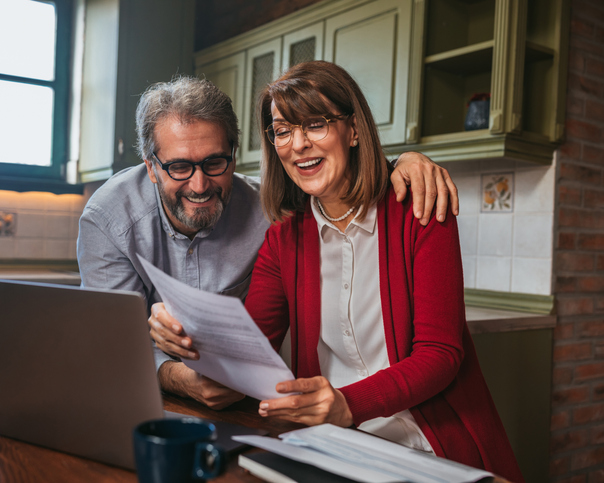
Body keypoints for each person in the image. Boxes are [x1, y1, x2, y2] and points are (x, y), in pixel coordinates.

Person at [78, 75, 460, 412]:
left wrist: (403, 161)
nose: (199, 185)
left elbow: (340, 177)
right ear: (150, 167)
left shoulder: (276, 214)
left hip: (409, 427)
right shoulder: (110, 219)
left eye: (215, 163)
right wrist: (176, 344)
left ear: (233, 155)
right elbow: (114, 350)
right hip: (151, 402)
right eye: (179, 166)